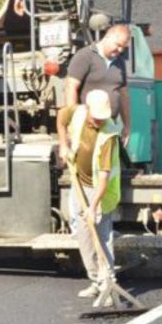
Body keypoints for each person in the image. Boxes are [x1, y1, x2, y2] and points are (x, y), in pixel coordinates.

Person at [57, 90, 121, 301]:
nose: (99, 122)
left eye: (103, 118)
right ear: (87, 109)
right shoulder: (77, 113)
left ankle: (109, 283)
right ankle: (96, 281)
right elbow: (61, 118)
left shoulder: (109, 135)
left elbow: (103, 177)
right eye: (96, 118)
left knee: (102, 236)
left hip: (99, 189)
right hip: (78, 183)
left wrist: (93, 207)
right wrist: (63, 144)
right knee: (84, 236)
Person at [65, 24, 131, 145]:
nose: (121, 50)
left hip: (109, 127)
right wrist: (72, 122)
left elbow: (123, 94)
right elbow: (71, 87)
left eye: (124, 48)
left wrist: (127, 126)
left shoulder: (120, 62)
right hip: (87, 125)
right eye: (118, 45)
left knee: (108, 163)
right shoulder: (85, 56)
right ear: (108, 37)